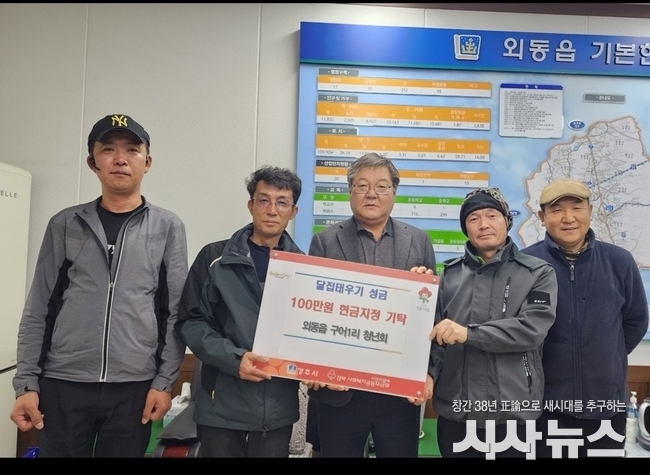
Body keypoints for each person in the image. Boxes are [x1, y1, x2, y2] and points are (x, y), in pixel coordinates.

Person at [10, 114, 189, 457]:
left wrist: (164, 382)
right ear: (93, 162)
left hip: (134, 387)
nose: (120, 159)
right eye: (108, 149)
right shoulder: (65, 224)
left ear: (147, 162)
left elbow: (174, 311)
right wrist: (27, 383)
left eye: (132, 150)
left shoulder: (167, 227)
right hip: (64, 383)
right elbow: (38, 308)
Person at [306, 152, 436, 458]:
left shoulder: (418, 241)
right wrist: (316, 366)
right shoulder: (325, 242)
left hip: (398, 392)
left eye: (381, 186)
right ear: (350, 191)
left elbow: (433, 313)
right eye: (362, 185)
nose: (371, 194)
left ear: (394, 191)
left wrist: (429, 371)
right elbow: (312, 309)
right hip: (340, 391)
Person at [176, 166, 305, 458]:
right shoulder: (214, 258)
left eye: (282, 202)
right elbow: (191, 322)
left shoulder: (305, 269)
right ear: (251, 205)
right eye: (263, 200)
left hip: (276, 409)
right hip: (220, 405)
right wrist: (235, 359)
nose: (272, 210)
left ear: (293, 211)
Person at [520, 178, 649, 458]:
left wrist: (606, 355)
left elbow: (636, 321)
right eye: (556, 210)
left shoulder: (619, 261)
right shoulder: (525, 264)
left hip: (605, 406)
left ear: (590, 211)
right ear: (542, 217)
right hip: (544, 407)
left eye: (577, 208)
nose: (568, 218)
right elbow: (516, 328)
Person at [429, 187, 557, 458]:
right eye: (473, 218)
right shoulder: (449, 276)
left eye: (491, 215)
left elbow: (531, 330)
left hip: (514, 415)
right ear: (465, 228)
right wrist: (428, 375)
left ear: (507, 220)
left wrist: (468, 333)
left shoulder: (538, 273)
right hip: (457, 414)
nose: (483, 224)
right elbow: (435, 339)